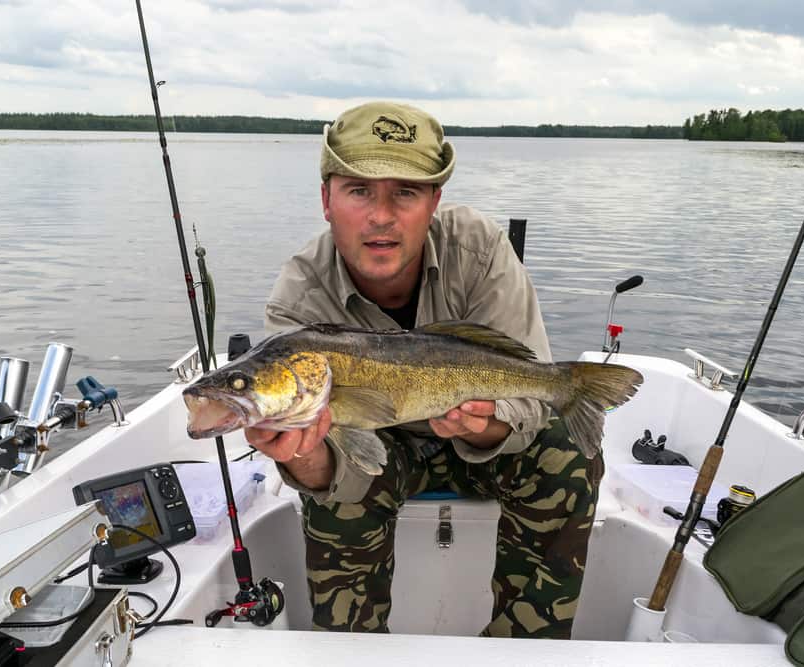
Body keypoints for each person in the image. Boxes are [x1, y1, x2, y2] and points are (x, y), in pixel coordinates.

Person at [243, 101, 602, 638]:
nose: (381, 216)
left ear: (435, 201)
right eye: (359, 190)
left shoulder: (478, 250)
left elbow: (528, 390)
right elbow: (329, 471)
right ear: (326, 199)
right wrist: (306, 459)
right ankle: (353, 651)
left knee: (566, 457)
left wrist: (489, 425)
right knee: (337, 495)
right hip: (378, 446)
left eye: (405, 193)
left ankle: (524, 648)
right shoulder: (300, 297)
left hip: (484, 442)